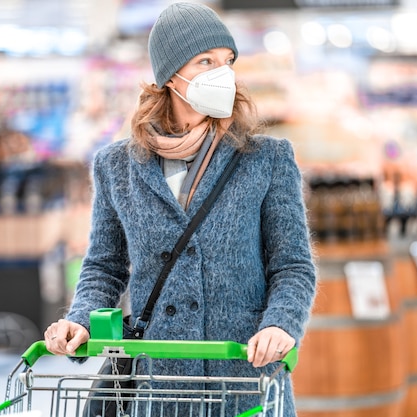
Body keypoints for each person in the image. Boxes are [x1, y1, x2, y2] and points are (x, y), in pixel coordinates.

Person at [45, 2, 316, 416]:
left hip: (242, 377)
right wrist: (80, 319)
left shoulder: (266, 158)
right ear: (171, 75)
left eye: (228, 61)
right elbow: (105, 265)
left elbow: (293, 265)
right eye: (206, 60)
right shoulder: (117, 167)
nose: (222, 72)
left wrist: (281, 323)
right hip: (160, 383)